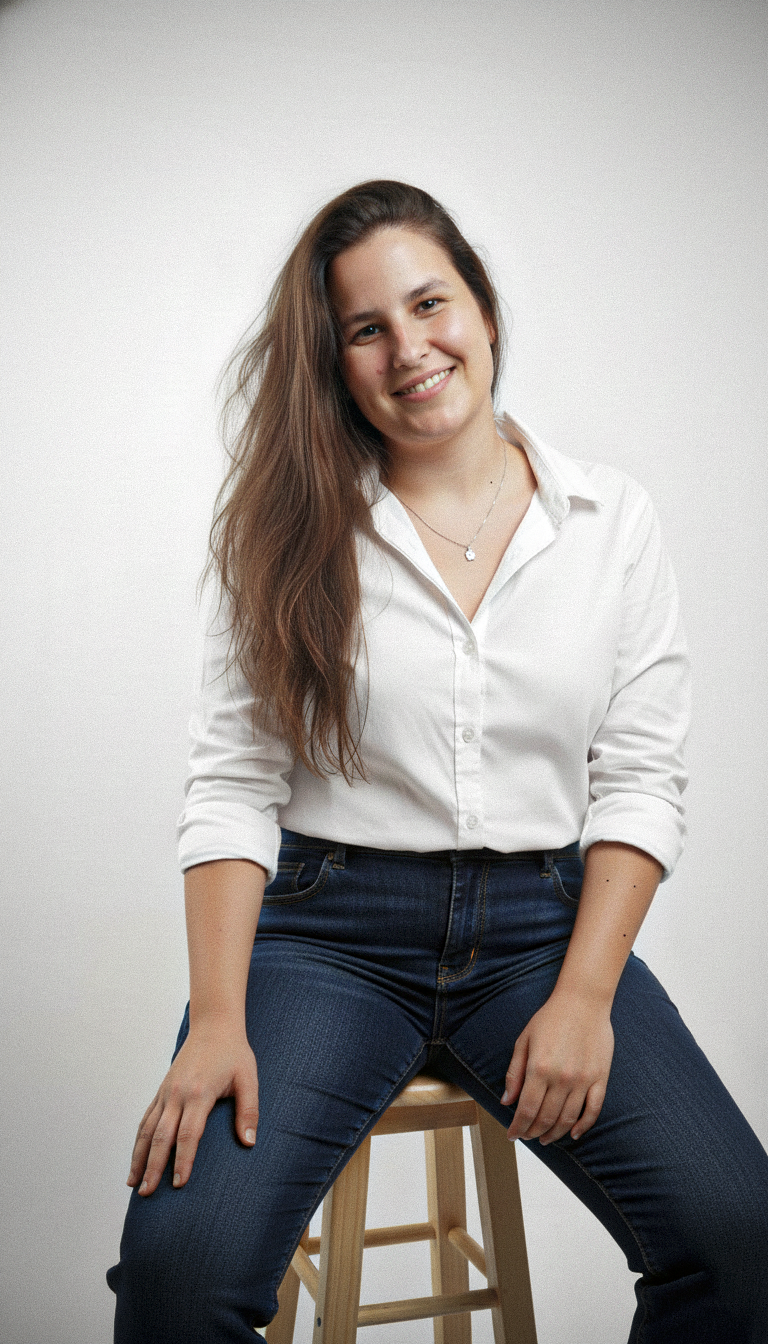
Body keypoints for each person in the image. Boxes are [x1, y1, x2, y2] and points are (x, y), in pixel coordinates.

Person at [107, 180, 768, 1342]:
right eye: (366, 328)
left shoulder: (612, 522)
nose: (408, 348)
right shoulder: (286, 524)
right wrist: (218, 1019)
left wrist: (586, 994)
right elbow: (233, 784)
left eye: (429, 303)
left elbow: (640, 776)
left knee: (742, 1241)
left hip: (541, 932)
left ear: (486, 310)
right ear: (336, 360)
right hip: (325, 936)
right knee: (179, 1276)